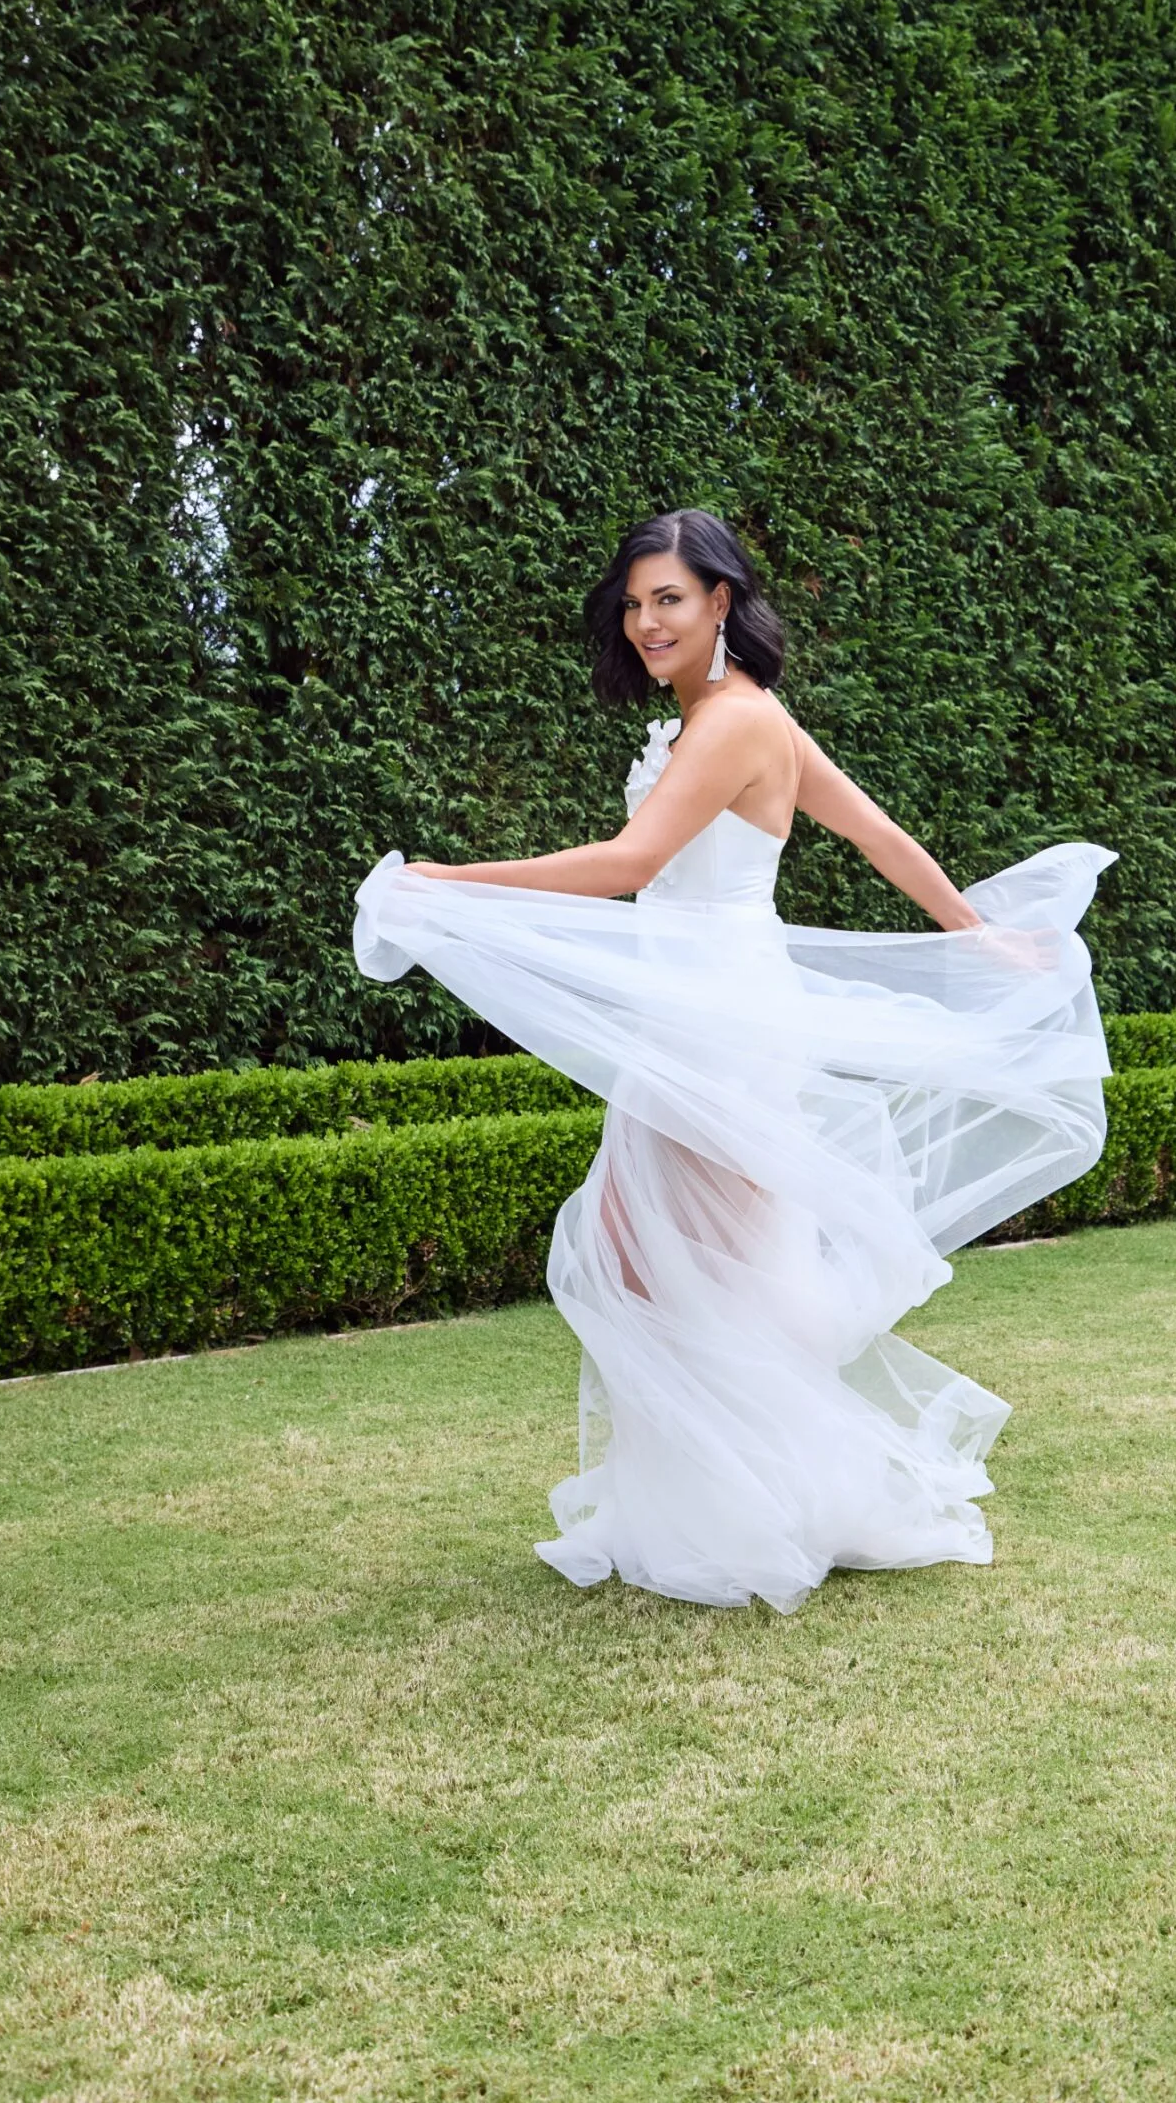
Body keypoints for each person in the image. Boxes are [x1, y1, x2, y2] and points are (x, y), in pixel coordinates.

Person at [354, 508, 1114, 1613]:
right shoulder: (735, 718)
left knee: (668, 1262)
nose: (647, 618)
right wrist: (972, 929)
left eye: (670, 597)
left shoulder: (733, 723)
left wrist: (449, 881)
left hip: (719, 1020)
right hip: (699, 1012)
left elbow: (633, 861)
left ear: (722, 601)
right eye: (634, 602)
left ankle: (759, 1507)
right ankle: (723, 1501)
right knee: (669, 1260)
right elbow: (874, 833)